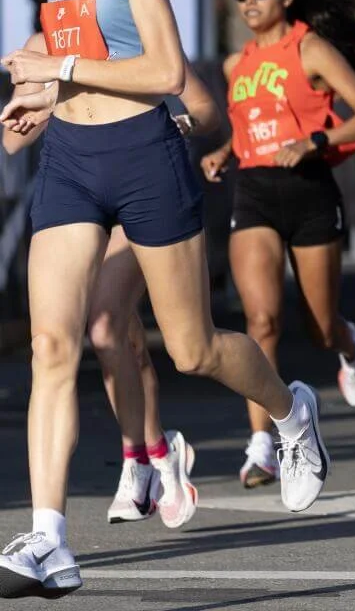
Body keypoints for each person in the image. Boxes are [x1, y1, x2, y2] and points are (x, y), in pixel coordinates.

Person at [0, 0, 327, 598]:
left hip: (145, 157)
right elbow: (82, 61)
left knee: (193, 349)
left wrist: (59, 67)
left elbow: (166, 71)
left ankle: (291, 413)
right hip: (71, 162)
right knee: (52, 346)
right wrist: (41, 100)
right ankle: (49, 540)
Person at [4, 46, 216, 529]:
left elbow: (206, 111)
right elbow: (13, 141)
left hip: (143, 186)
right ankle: (148, 452)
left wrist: (180, 125)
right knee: (102, 338)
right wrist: (45, 105)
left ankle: (148, 454)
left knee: (105, 326)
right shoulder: (41, 45)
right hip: (78, 194)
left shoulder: (132, 32)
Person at [201, 0, 355, 486]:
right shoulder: (235, 65)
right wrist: (224, 151)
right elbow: (251, 128)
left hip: (309, 190)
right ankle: (263, 444)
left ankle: (349, 344)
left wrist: (313, 142)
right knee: (261, 322)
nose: (250, 0)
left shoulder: (311, 48)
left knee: (320, 327)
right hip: (254, 194)